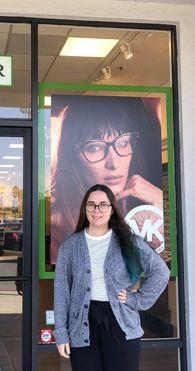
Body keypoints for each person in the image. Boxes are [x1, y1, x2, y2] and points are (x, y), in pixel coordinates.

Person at [53, 184, 170, 371]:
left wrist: (138, 300)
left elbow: (160, 271)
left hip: (121, 324)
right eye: (92, 205)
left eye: (103, 205)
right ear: (85, 209)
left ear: (112, 209)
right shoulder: (70, 246)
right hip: (83, 327)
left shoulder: (128, 241)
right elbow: (62, 291)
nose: (97, 210)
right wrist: (61, 332)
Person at [50, 95, 163, 264]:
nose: (114, 163)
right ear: (71, 158)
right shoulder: (60, 227)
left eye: (123, 143)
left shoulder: (136, 208)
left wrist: (160, 204)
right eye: (95, 147)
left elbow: (157, 268)